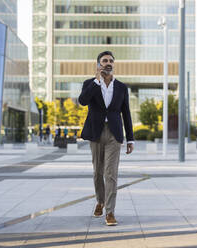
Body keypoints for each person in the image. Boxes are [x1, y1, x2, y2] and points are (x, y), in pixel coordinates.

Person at [78, 51, 134, 226]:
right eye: (104, 61)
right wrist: (96, 81)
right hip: (96, 132)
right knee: (98, 172)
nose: (108, 63)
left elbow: (126, 113)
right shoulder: (90, 83)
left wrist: (130, 139)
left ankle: (110, 212)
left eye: (110, 61)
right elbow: (82, 101)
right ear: (98, 64)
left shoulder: (121, 87)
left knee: (111, 173)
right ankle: (100, 201)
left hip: (114, 134)